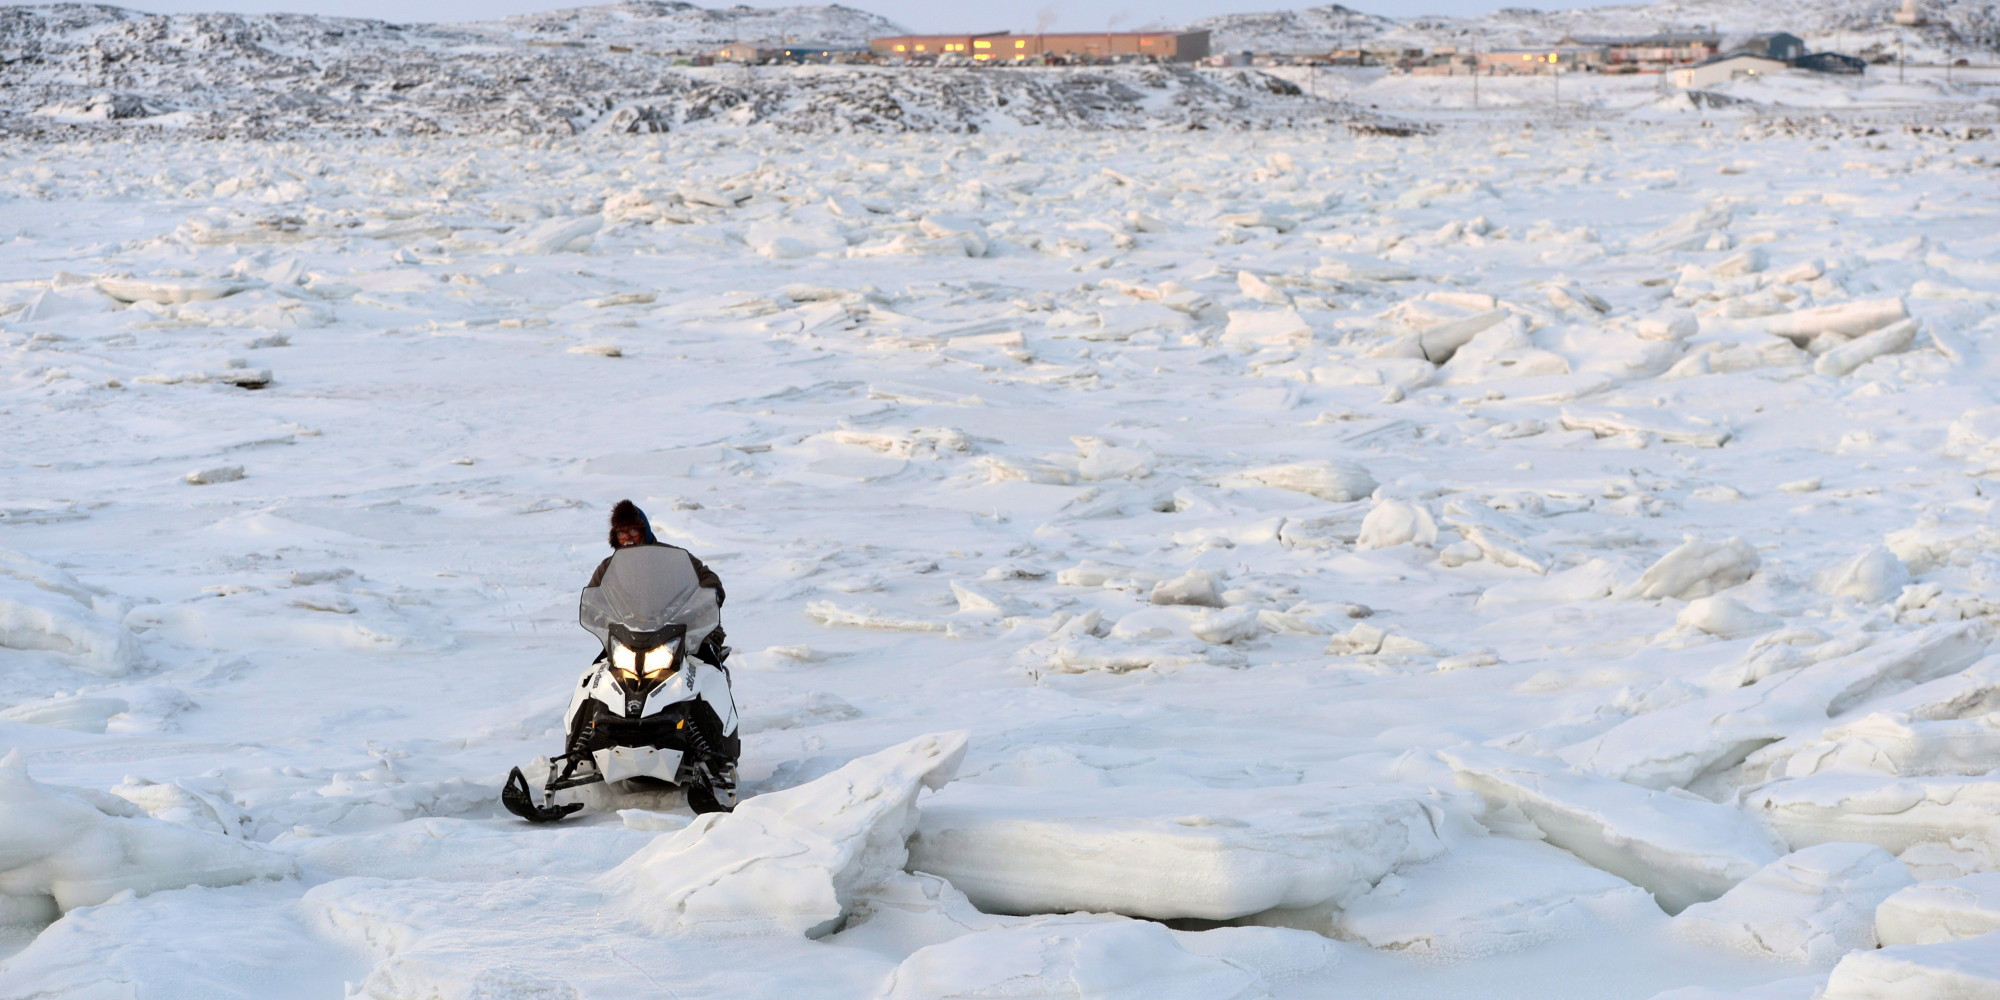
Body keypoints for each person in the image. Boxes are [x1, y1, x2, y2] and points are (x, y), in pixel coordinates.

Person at [589, 499, 727, 665]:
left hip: (677, 630)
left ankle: (718, 686)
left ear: (644, 530)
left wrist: (711, 594)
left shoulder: (671, 557)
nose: (628, 537)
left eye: (633, 530)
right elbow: (593, 596)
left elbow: (704, 574)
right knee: (596, 672)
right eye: (621, 532)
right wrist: (600, 615)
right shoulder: (608, 567)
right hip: (628, 636)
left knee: (707, 664)